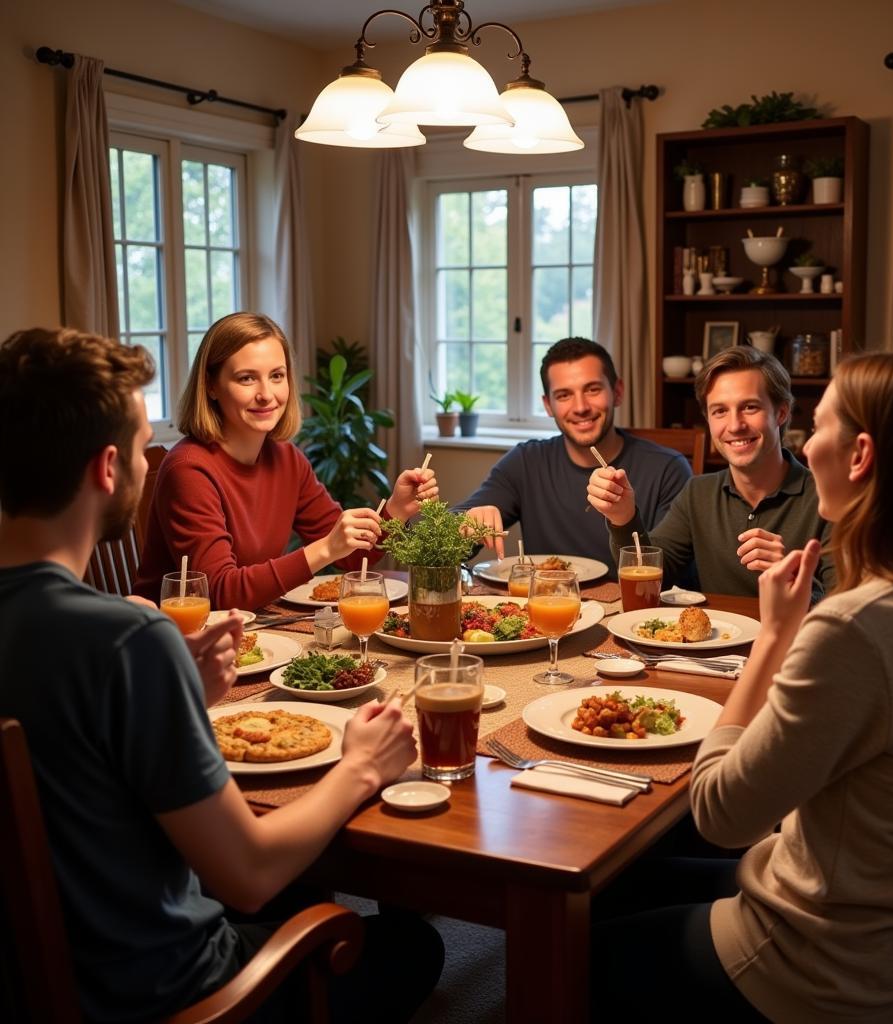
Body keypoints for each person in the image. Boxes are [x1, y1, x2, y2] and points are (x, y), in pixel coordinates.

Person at [0, 327, 443, 1023]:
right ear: (108, 468)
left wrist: (187, 692)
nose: (155, 465)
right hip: (183, 997)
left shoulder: (113, 639)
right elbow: (250, 872)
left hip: (51, 983)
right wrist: (361, 766)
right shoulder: (127, 639)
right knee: (412, 944)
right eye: (144, 445)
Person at [590, 352, 893, 1022]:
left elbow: (721, 814)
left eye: (816, 428)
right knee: (625, 877)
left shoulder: (856, 630)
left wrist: (772, 637)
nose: (805, 444)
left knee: (571, 949)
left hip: (815, 963)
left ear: (859, 456)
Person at [134, 312, 438, 610]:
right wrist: (325, 548)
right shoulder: (189, 469)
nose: (266, 394)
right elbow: (219, 593)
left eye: (277, 376)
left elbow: (350, 558)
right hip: (176, 643)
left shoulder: (285, 458)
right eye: (246, 378)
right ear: (211, 386)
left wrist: (395, 510)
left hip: (253, 629)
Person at [588, 345, 834, 600]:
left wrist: (795, 578)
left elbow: (852, 614)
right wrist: (623, 517)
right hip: (716, 639)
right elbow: (653, 579)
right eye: (720, 411)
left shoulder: (829, 498)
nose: (735, 425)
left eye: (750, 407)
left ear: (780, 412)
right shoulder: (698, 493)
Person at [455, 337, 691, 570]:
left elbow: (669, 571)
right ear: (548, 405)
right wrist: (466, 525)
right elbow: (442, 534)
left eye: (593, 389)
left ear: (617, 392)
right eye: (564, 395)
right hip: (547, 606)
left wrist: (625, 519)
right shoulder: (525, 462)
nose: (580, 407)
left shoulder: (667, 469)